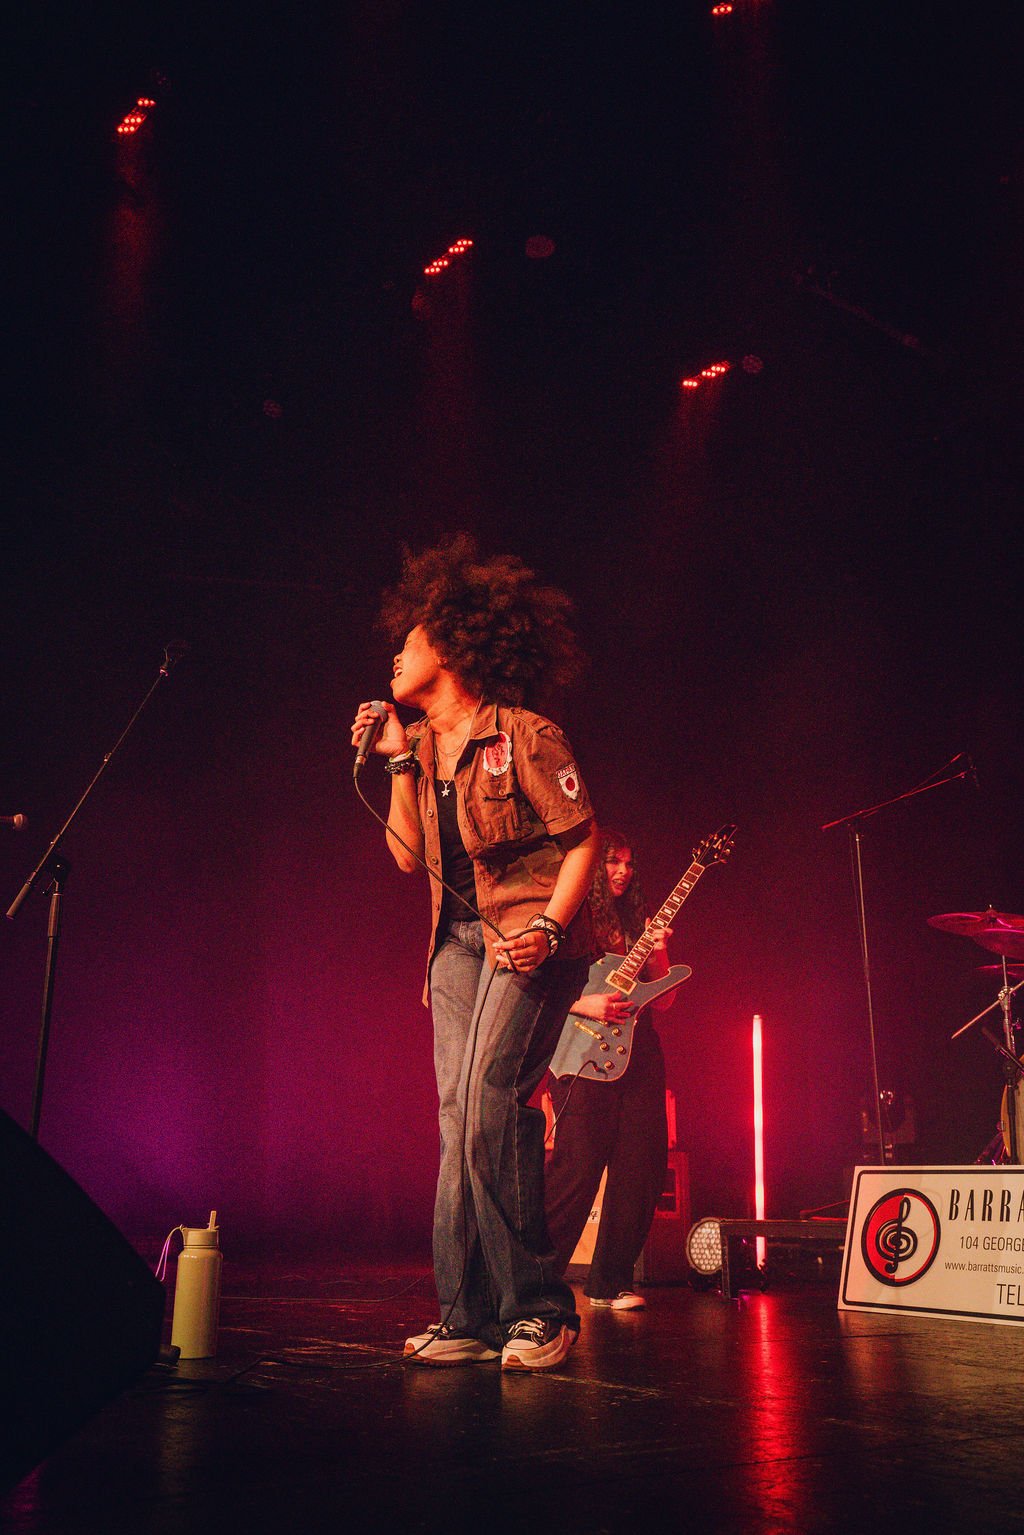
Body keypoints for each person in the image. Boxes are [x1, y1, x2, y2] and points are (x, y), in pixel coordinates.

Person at [351, 535, 599, 1371]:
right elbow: (405, 858)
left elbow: (582, 840)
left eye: (410, 639)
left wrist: (554, 929)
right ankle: (466, 1313)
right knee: (459, 1118)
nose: (395, 651)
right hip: (454, 947)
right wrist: (392, 761)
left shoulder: (525, 735)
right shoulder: (420, 748)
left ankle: (540, 1308)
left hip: (530, 937)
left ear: (451, 648)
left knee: (493, 1097)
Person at [544, 829, 676, 1310]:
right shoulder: (572, 917)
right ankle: (537, 1282)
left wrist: (658, 948)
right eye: (613, 862)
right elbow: (538, 985)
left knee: (641, 1166)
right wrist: (585, 1004)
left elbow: (668, 999)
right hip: (581, 1051)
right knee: (576, 1169)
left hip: (639, 1052)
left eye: (629, 863)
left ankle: (611, 1281)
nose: (622, 871)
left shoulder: (637, 920)